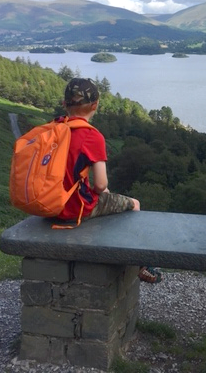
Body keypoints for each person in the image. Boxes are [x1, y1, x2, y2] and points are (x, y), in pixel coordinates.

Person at [56, 77, 161, 284]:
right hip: (73, 209)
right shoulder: (91, 136)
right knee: (133, 205)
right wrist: (101, 193)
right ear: (95, 105)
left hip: (50, 204)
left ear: (64, 104)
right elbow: (101, 184)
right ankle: (140, 264)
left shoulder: (53, 128)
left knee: (104, 197)